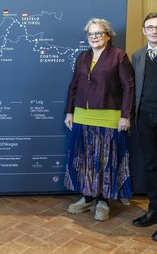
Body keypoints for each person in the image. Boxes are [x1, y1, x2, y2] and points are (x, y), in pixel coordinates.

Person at [64, 18, 134, 221]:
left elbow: (128, 88)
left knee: (105, 160)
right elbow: (73, 86)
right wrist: (70, 112)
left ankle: (103, 201)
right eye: (90, 34)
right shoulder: (82, 57)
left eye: (98, 33)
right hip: (83, 116)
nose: (94, 37)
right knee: (85, 158)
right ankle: (87, 197)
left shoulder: (119, 56)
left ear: (108, 35)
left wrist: (125, 116)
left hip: (109, 117)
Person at [131, 12, 157, 241]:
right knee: (150, 167)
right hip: (145, 118)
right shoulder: (137, 55)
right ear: (144, 31)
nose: (154, 31)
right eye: (150, 27)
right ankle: (154, 210)